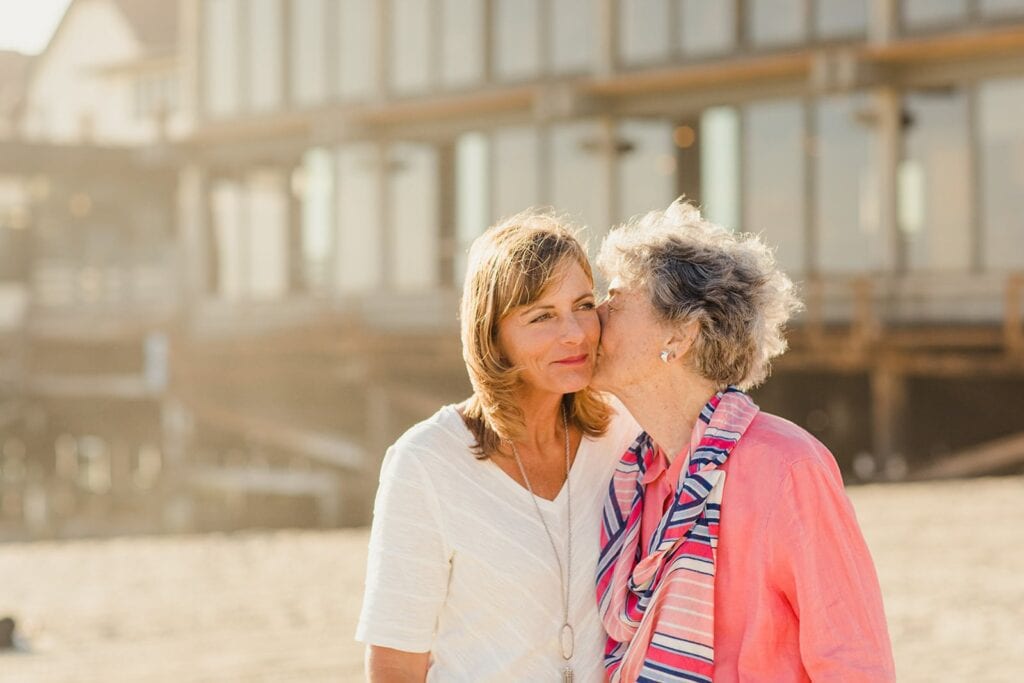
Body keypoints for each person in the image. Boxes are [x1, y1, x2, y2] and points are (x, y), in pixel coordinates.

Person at [592, 199, 896, 682]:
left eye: (615, 297)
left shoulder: (788, 468)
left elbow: (854, 663)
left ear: (681, 333)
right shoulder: (632, 480)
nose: (595, 313)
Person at [356, 210, 640, 681]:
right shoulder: (425, 462)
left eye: (584, 305)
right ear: (493, 335)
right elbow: (394, 663)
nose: (575, 333)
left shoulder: (623, 436)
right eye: (541, 316)